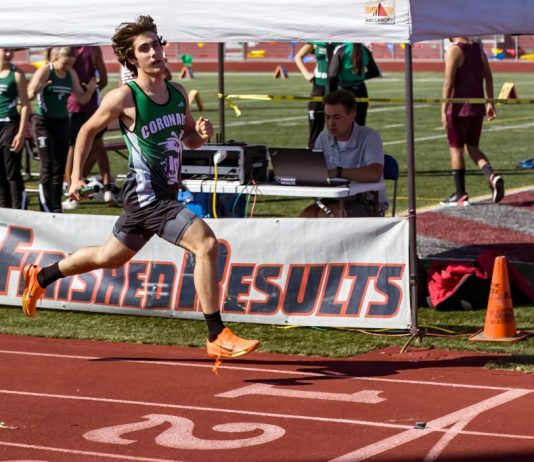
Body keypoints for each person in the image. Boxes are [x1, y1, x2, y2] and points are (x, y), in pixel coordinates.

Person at [21, 15, 260, 362]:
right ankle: (216, 334)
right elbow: (87, 130)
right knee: (206, 244)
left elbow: (189, 139)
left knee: (108, 257)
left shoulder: (177, 93)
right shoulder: (125, 97)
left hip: (159, 197)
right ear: (131, 59)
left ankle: (41, 276)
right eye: (144, 48)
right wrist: (74, 178)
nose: (154, 52)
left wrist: (200, 134)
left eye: (156, 44)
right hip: (148, 197)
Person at [27, 46, 97, 213]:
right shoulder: (45, 71)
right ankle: (45, 207)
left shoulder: (71, 73)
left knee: (59, 167)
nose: (67, 67)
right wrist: (39, 88)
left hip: (62, 122)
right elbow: (28, 95)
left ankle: (56, 207)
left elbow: (81, 99)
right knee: (47, 166)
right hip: (43, 122)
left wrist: (90, 90)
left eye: (70, 64)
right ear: (55, 59)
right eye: (64, 63)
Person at [300, 89, 388, 218]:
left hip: (366, 201)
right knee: (305, 217)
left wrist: (338, 172)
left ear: (352, 116)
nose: (331, 124)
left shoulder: (370, 137)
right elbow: (315, 170)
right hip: (333, 198)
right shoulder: (323, 137)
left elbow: (374, 174)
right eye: (327, 117)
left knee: (326, 215)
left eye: (336, 117)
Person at [440, 36, 504, 206]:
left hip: (458, 109)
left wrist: (443, 110)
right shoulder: (478, 49)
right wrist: (490, 103)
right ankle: (492, 176)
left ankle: (460, 194)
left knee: (456, 150)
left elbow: (448, 82)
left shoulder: (455, 50)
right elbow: (488, 77)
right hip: (477, 108)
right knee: (473, 148)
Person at [63, 45, 116, 210]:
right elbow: (104, 79)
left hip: (72, 106)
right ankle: (108, 189)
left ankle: (71, 192)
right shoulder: (94, 48)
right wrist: (92, 90)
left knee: (73, 149)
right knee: (98, 148)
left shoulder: (66, 46)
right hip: (92, 106)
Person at [0, 48, 30, 209]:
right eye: (5, 50)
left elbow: (25, 105)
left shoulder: (17, 74)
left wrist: (21, 133)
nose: (9, 54)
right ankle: (3, 212)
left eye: (11, 50)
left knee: (12, 172)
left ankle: (19, 211)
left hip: (10, 125)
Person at [295, 42, 338, 148]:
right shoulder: (316, 41)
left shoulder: (341, 42)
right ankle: (312, 151)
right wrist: (306, 73)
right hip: (318, 85)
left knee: (336, 124)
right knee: (315, 122)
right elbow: (298, 57)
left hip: (336, 86)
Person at [328, 43, 381, 127]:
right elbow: (375, 72)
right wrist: (360, 77)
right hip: (361, 91)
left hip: (344, 91)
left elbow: (332, 75)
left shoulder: (341, 49)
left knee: (343, 126)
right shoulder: (365, 50)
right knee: (359, 126)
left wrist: (331, 95)